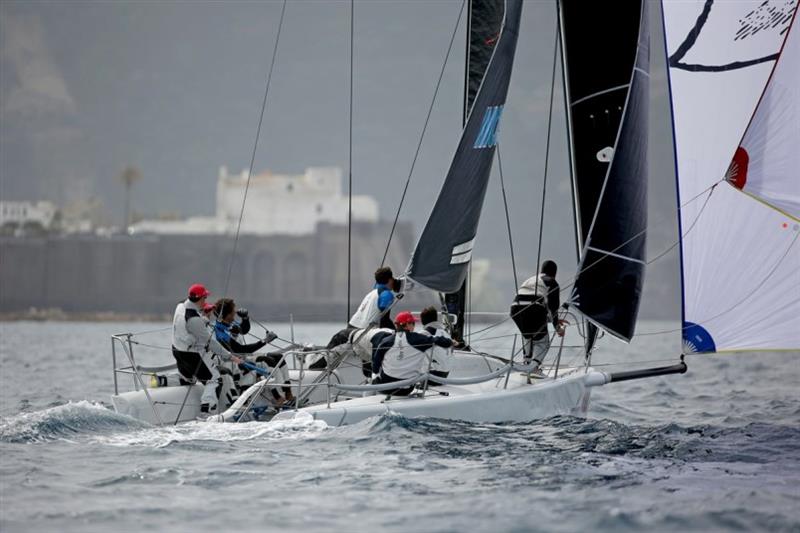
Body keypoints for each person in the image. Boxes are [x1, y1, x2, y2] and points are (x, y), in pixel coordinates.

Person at [171, 283, 241, 416]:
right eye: (204, 298)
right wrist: (230, 357)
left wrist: (204, 318)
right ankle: (206, 411)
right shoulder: (194, 320)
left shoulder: (180, 306)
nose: (205, 301)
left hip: (176, 350)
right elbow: (211, 343)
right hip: (191, 355)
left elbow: (190, 323)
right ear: (199, 298)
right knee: (214, 378)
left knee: (189, 378)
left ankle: (163, 380)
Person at [212, 298, 292, 405]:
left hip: (243, 357)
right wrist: (265, 341)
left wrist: (245, 318)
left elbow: (244, 330)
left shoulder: (228, 324)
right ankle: (279, 399)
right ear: (226, 315)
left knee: (278, 357)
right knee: (267, 361)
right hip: (234, 363)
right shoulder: (219, 332)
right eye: (232, 312)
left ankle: (288, 393)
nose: (234, 314)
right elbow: (240, 349)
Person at [319, 266, 401, 369]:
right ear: (389, 280)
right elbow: (384, 319)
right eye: (392, 279)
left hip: (349, 330)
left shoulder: (373, 292)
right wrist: (398, 334)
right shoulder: (386, 294)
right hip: (361, 334)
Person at [371, 311, 453, 396]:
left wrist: (374, 378)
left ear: (396, 325)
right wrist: (451, 342)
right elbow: (445, 342)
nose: (414, 326)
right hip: (407, 389)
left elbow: (375, 365)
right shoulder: (419, 339)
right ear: (408, 325)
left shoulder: (385, 341)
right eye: (413, 323)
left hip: (386, 388)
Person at [510, 260, 566, 372]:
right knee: (542, 342)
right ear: (554, 273)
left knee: (528, 336)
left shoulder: (532, 279)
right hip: (534, 308)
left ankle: (527, 362)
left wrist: (553, 320)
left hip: (515, 309)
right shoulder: (552, 282)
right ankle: (533, 368)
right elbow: (553, 309)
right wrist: (558, 328)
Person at [418, 306, 453, 384]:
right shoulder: (446, 333)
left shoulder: (424, 333)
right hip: (445, 375)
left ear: (422, 320)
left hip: (432, 376)